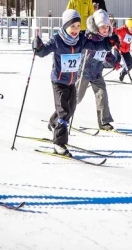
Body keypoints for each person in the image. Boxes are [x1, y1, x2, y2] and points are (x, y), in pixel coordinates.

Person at [32, 9, 119, 156]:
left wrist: (108, 43)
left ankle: (54, 123)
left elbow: (95, 45)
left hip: (72, 81)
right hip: (59, 82)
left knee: (71, 108)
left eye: (78, 26)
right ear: (65, 25)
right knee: (64, 112)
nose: (76, 30)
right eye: (73, 26)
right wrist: (38, 46)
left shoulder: (80, 39)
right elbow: (43, 52)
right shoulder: (57, 40)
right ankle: (59, 143)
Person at [76, 10, 120, 131]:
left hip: (96, 72)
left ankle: (104, 121)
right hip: (84, 71)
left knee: (102, 94)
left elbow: (106, 53)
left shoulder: (105, 39)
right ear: (96, 27)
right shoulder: (89, 37)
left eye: (107, 26)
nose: (105, 29)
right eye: (102, 27)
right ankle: (60, 118)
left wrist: (114, 63)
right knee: (76, 97)